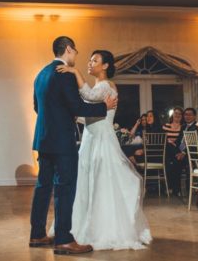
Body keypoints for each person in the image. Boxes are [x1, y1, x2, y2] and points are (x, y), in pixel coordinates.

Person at [55, 49, 151, 250]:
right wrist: (76, 116)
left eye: (94, 60)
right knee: (86, 183)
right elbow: (91, 115)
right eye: (89, 60)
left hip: (102, 141)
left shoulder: (107, 86)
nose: (90, 63)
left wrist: (74, 72)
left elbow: (88, 95)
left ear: (105, 65)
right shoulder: (99, 86)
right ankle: (79, 226)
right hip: (91, 139)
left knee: (102, 182)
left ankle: (104, 229)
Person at [29, 37, 117, 255]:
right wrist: (103, 108)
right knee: (64, 188)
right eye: (76, 51)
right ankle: (64, 239)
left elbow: (36, 107)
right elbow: (77, 105)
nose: (77, 56)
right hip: (62, 142)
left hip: (43, 139)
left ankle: (37, 234)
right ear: (68, 49)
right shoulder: (64, 73)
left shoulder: (41, 74)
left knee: (43, 187)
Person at [163, 107, 184, 195]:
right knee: (171, 160)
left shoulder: (183, 127)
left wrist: (175, 144)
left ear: (182, 116)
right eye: (176, 113)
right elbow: (162, 139)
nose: (177, 115)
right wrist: (169, 142)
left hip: (178, 149)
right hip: (167, 150)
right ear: (173, 114)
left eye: (179, 113)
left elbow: (183, 141)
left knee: (174, 162)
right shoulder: (166, 126)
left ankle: (173, 188)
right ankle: (175, 188)